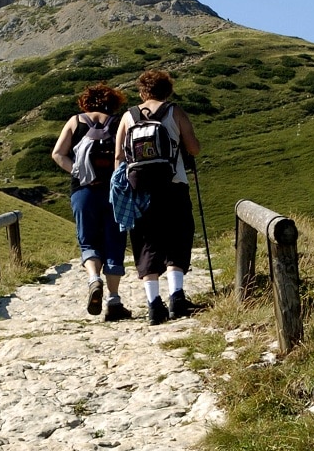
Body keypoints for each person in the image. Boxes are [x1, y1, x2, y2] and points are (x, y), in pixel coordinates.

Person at [114, 69, 201, 326]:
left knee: (145, 242)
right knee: (178, 236)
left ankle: (154, 305)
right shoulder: (175, 112)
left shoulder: (128, 116)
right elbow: (194, 147)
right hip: (174, 184)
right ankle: (177, 298)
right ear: (167, 90)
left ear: (142, 91)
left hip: (140, 189)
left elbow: (119, 157)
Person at [51, 82, 131, 320]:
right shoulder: (118, 122)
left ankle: (94, 280)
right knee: (114, 242)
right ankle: (114, 301)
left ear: (85, 102)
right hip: (113, 192)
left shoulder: (75, 121)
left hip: (83, 192)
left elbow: (57, 153)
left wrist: (78, 172)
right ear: (113, 102)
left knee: (88, 242)